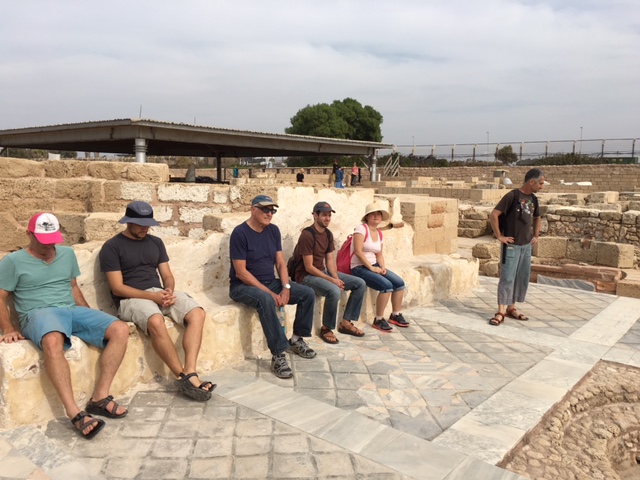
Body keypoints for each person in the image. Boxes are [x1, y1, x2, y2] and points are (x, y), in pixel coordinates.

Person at [0, 213, 130, 439]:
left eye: (52, 239)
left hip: (70, 310)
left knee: (120, 329)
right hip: (37, 313)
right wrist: (8, 328)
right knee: (53, 339)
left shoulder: (67, 254)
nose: (48, 245)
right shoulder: (12, 262)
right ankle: (74, 412)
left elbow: (73, 287)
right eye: (43, 240)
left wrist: (88, 313)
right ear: (29, 234)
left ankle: (100, 397)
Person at [99, 201, 215, 402]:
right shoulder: (112, 247)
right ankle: (182, 377)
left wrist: (168, 290)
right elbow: (117, 287)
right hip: (131, 297)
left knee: (197, 312)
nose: (145, 228)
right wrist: (153, 297)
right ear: (128, 222)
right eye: (140, 224)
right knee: (155, 320)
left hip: (158, 293)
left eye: (148, 224)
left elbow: (167, 275)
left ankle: (190, 371)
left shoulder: (156, 243)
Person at [229, 195, 316, 379]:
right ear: (253, 209)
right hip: (242, 286)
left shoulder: (273, 230)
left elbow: (281, 262)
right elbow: (241, 272)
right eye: (265, 209)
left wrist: (286, 287)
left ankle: (296, 339)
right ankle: (278, 355)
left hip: (271, 282)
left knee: (307, 293)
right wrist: (270, 292)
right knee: (266, 299)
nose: (270, 214)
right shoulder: (240, 233)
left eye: (272, 210)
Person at [293, 202, 366, 344]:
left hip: (322, 271)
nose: (327, 218)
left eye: (329, 215)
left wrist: (336, 278)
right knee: (333, 291)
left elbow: (330, 260)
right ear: (315, 216)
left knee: (360, 283)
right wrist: (332, 281)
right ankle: (326, 328)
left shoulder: (327, 234)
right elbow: (309, 267)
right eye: (324, 215)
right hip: (305, 276)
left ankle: (346, 322)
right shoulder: (307, 235)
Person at [488, 168, 544, 326]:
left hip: (526, 246)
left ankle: (511, 308)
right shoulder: (512, 196)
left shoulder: (533, 199)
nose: (542, 186)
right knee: (507, 277)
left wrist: (536, 235)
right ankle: (500, 311)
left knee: (521, 277)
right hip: (512, 246)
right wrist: (500, 236)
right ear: (531, 182)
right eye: (540, 183)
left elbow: (537, 217)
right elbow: (494, 215)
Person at [350, 203, 409, 332]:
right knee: (386, 286)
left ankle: (395, 314)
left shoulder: (379, 233)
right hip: (359, 267)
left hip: (374, 265)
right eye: (373, 214)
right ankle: (378, 319)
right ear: (367, 216)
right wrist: (371, 268)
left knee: (399, 283)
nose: (376, 216)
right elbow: (358, 252)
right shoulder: (361, 229)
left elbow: (379, 254)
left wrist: (382, 267)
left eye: (379, 214)